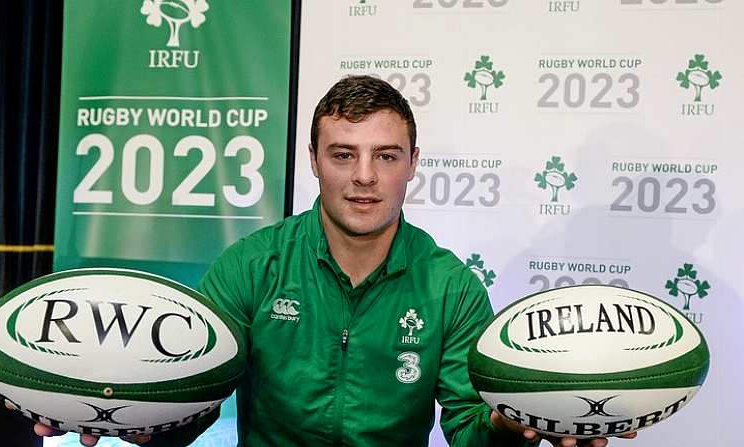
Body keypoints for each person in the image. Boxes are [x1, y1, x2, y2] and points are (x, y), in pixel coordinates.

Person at [35, 75, 636, 446]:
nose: (365, 178)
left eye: (386, 156)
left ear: (413, 161)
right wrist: (132, 416)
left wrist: (523, 420)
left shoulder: (449, 286)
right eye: (344, 155)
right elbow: (193, 404)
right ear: (314, 160)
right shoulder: (253, 266)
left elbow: (470, 433)